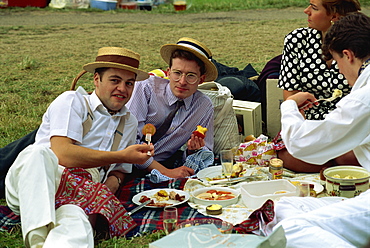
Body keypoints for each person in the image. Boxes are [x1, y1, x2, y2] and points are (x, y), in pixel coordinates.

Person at [5, 47, 154, 247]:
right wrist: (121, 155)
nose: (123, 89)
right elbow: (62, 154)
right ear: (96, 80)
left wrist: (113, 182)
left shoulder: (129, 122)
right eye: (114, 80)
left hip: (82, 195)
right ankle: (37, 236)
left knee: (77, 223)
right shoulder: (72, 101)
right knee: (39, 152)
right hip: (37, 182)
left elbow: (120, 170)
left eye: (129, 83)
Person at [271, 12, 370, 247]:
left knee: (289, 229)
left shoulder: (363, 96)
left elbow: (303, 145)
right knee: (282, 207)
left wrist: (289, 106)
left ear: (348, 55)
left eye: (336, 62)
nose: (339, 72)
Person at [275, 0, 361, 172]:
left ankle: (333, 164)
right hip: (308, 123)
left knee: (348, 156)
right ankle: (330, 165)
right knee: (292, 155)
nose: (306, 11)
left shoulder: (359, 45)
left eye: (314, 8)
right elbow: (290, 94)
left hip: (347, 125)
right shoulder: (297, 40)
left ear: (334, 16)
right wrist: (307, 132)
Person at [126, 37, 216, 181]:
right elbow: (128, 140)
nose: (182, 81)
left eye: (191, 76)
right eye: (177, 73)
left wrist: (192, 150)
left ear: (201, 79)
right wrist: (166, 172)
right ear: (168, 72)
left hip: (164, 166)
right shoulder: (145, 88)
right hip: (125, 164)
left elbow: (206, 151)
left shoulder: (203, 106)